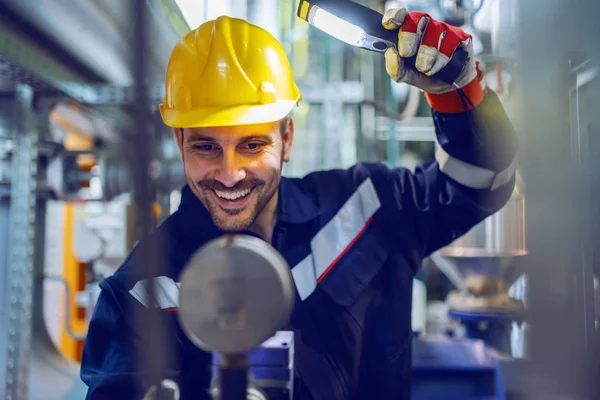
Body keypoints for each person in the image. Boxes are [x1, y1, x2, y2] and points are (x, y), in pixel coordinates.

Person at [81, 8, 518, 400]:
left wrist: (460, 94)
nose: (230, 173)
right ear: (180, 143)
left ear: (286, 138)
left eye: (252, 145)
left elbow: (478, 184)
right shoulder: (140, 295)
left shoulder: (367, 207)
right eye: (207, 147)